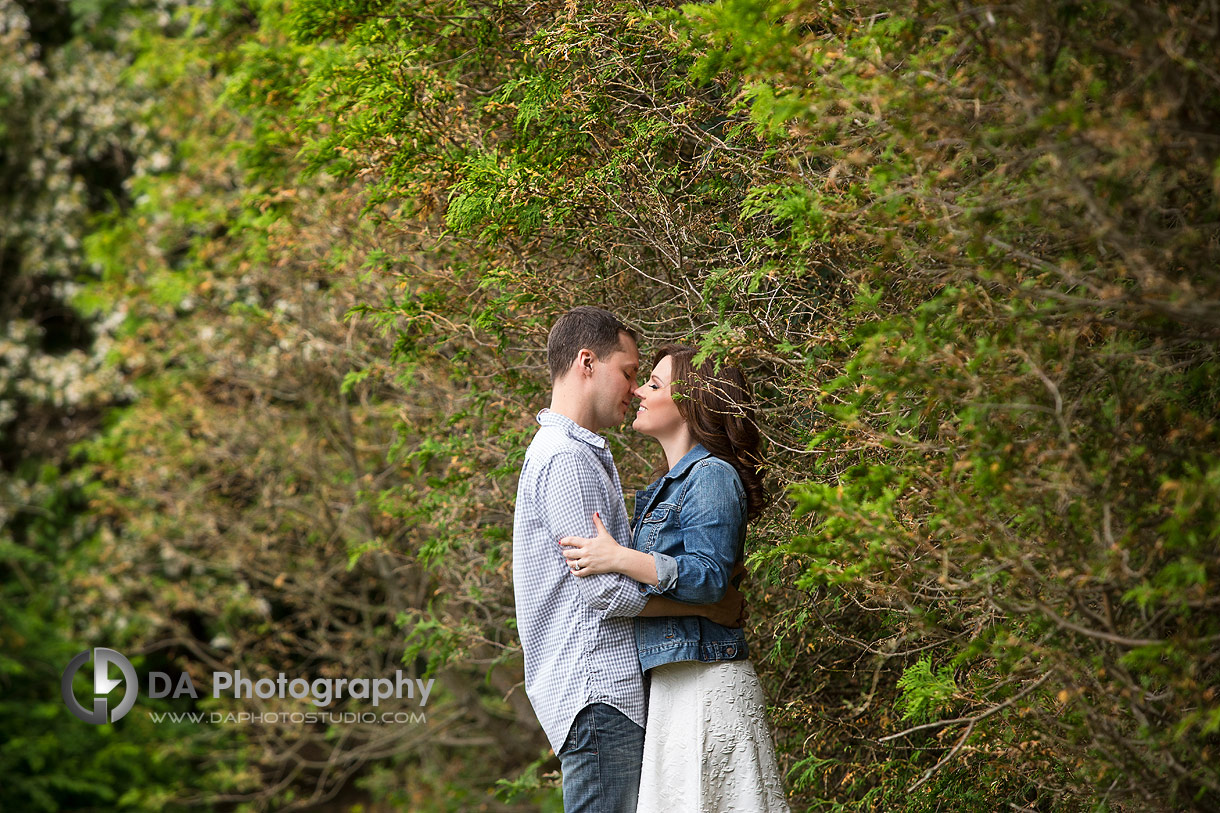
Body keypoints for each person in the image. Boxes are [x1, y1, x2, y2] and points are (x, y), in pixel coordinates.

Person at [511, 307, 747, 813]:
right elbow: (603, 593)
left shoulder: (580, 454)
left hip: (614, 694)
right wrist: (705, 609)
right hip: (601, 691)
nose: (634, 387)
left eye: (645, 379)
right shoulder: (566, 458)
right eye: (630, 371)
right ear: (587, 362)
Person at [559, 342, 791, 812]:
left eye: (654, 384)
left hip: (706, 681)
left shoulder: (711, 475)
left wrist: (620, 558)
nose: (640, 391)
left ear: (691, 403)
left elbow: (708, 576)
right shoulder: (668, 489)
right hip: (674, 683)